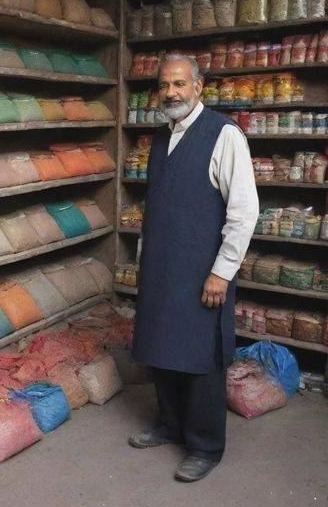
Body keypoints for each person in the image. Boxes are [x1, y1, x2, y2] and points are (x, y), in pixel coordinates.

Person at [129, 55, 259, 482]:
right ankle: (170, 424)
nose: (172, 93)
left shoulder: (223, 134)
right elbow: (159, 206)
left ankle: (205, 446)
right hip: (163, 268)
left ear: (199, 87)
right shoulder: (161, 138)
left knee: (202, 357)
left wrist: (222, 272)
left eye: (181, 84)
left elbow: (244, 212)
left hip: (203, 272)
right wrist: (144, 259)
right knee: (163, 349)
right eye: (165, 85)